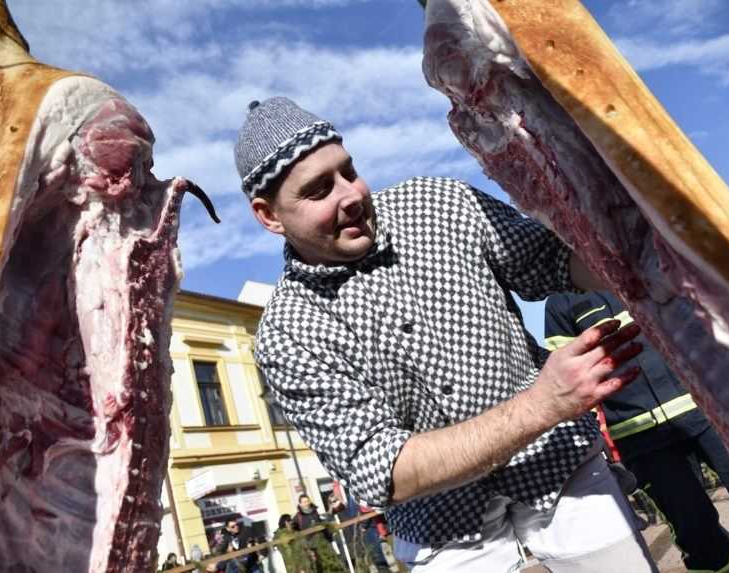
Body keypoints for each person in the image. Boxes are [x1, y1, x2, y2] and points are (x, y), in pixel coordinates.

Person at [236, 96, 655, 572]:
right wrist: (545, 403)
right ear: (269, 216)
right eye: (318, 191)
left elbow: (549, 259)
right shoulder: (287, 334)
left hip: (560, 465)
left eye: (348, 171)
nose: (350, 195)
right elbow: (383, 470)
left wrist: (642, 237)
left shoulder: (438, 204)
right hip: (444, 528)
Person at [545, 290, 729, 573]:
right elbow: (570, 380)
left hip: (712, 412)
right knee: (696, 537)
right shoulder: (559, 302)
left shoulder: (633, 252)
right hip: (641, 437)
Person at [293, 494, 346, 573]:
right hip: (312, 546)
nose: (306, 503)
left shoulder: (315, 512)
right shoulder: (298, 517)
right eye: (304, 502)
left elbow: (322, 523)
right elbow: (295, 532)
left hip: (324, 542)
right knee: (320, 567)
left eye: (307, 501)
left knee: (333, 563)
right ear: (300, 504)